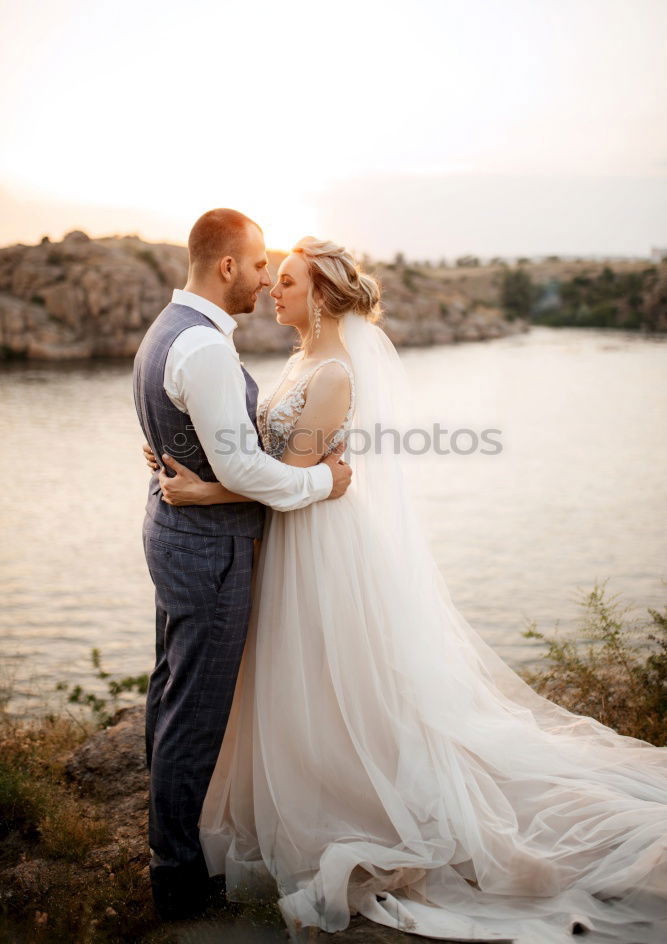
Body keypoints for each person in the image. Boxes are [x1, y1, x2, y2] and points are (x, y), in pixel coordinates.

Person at [142, 237, 667, 943]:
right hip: (291, 532)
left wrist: (206, 492)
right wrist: (204, 455)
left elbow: (290, 489)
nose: (275, 289)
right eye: (274, 277)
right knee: (296, 678)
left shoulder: (331, 376)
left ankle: (340, 798)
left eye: (289, 280)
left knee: (329, 680)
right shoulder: (300, 361)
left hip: (316, 538)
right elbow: (258, 459)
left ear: (321, 296)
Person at [132, 211, 352, 921]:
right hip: (208, 551)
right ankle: (177, 878)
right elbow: (246, 466)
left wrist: (194, 475)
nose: (264, 280)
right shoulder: (201, 349)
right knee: (192, 712)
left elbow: (210, 444)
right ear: (226, 266)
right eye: (260, 266)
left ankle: (171, 849)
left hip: (179, 533)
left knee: (172, 692)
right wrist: (323, 483)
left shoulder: (170, 332)